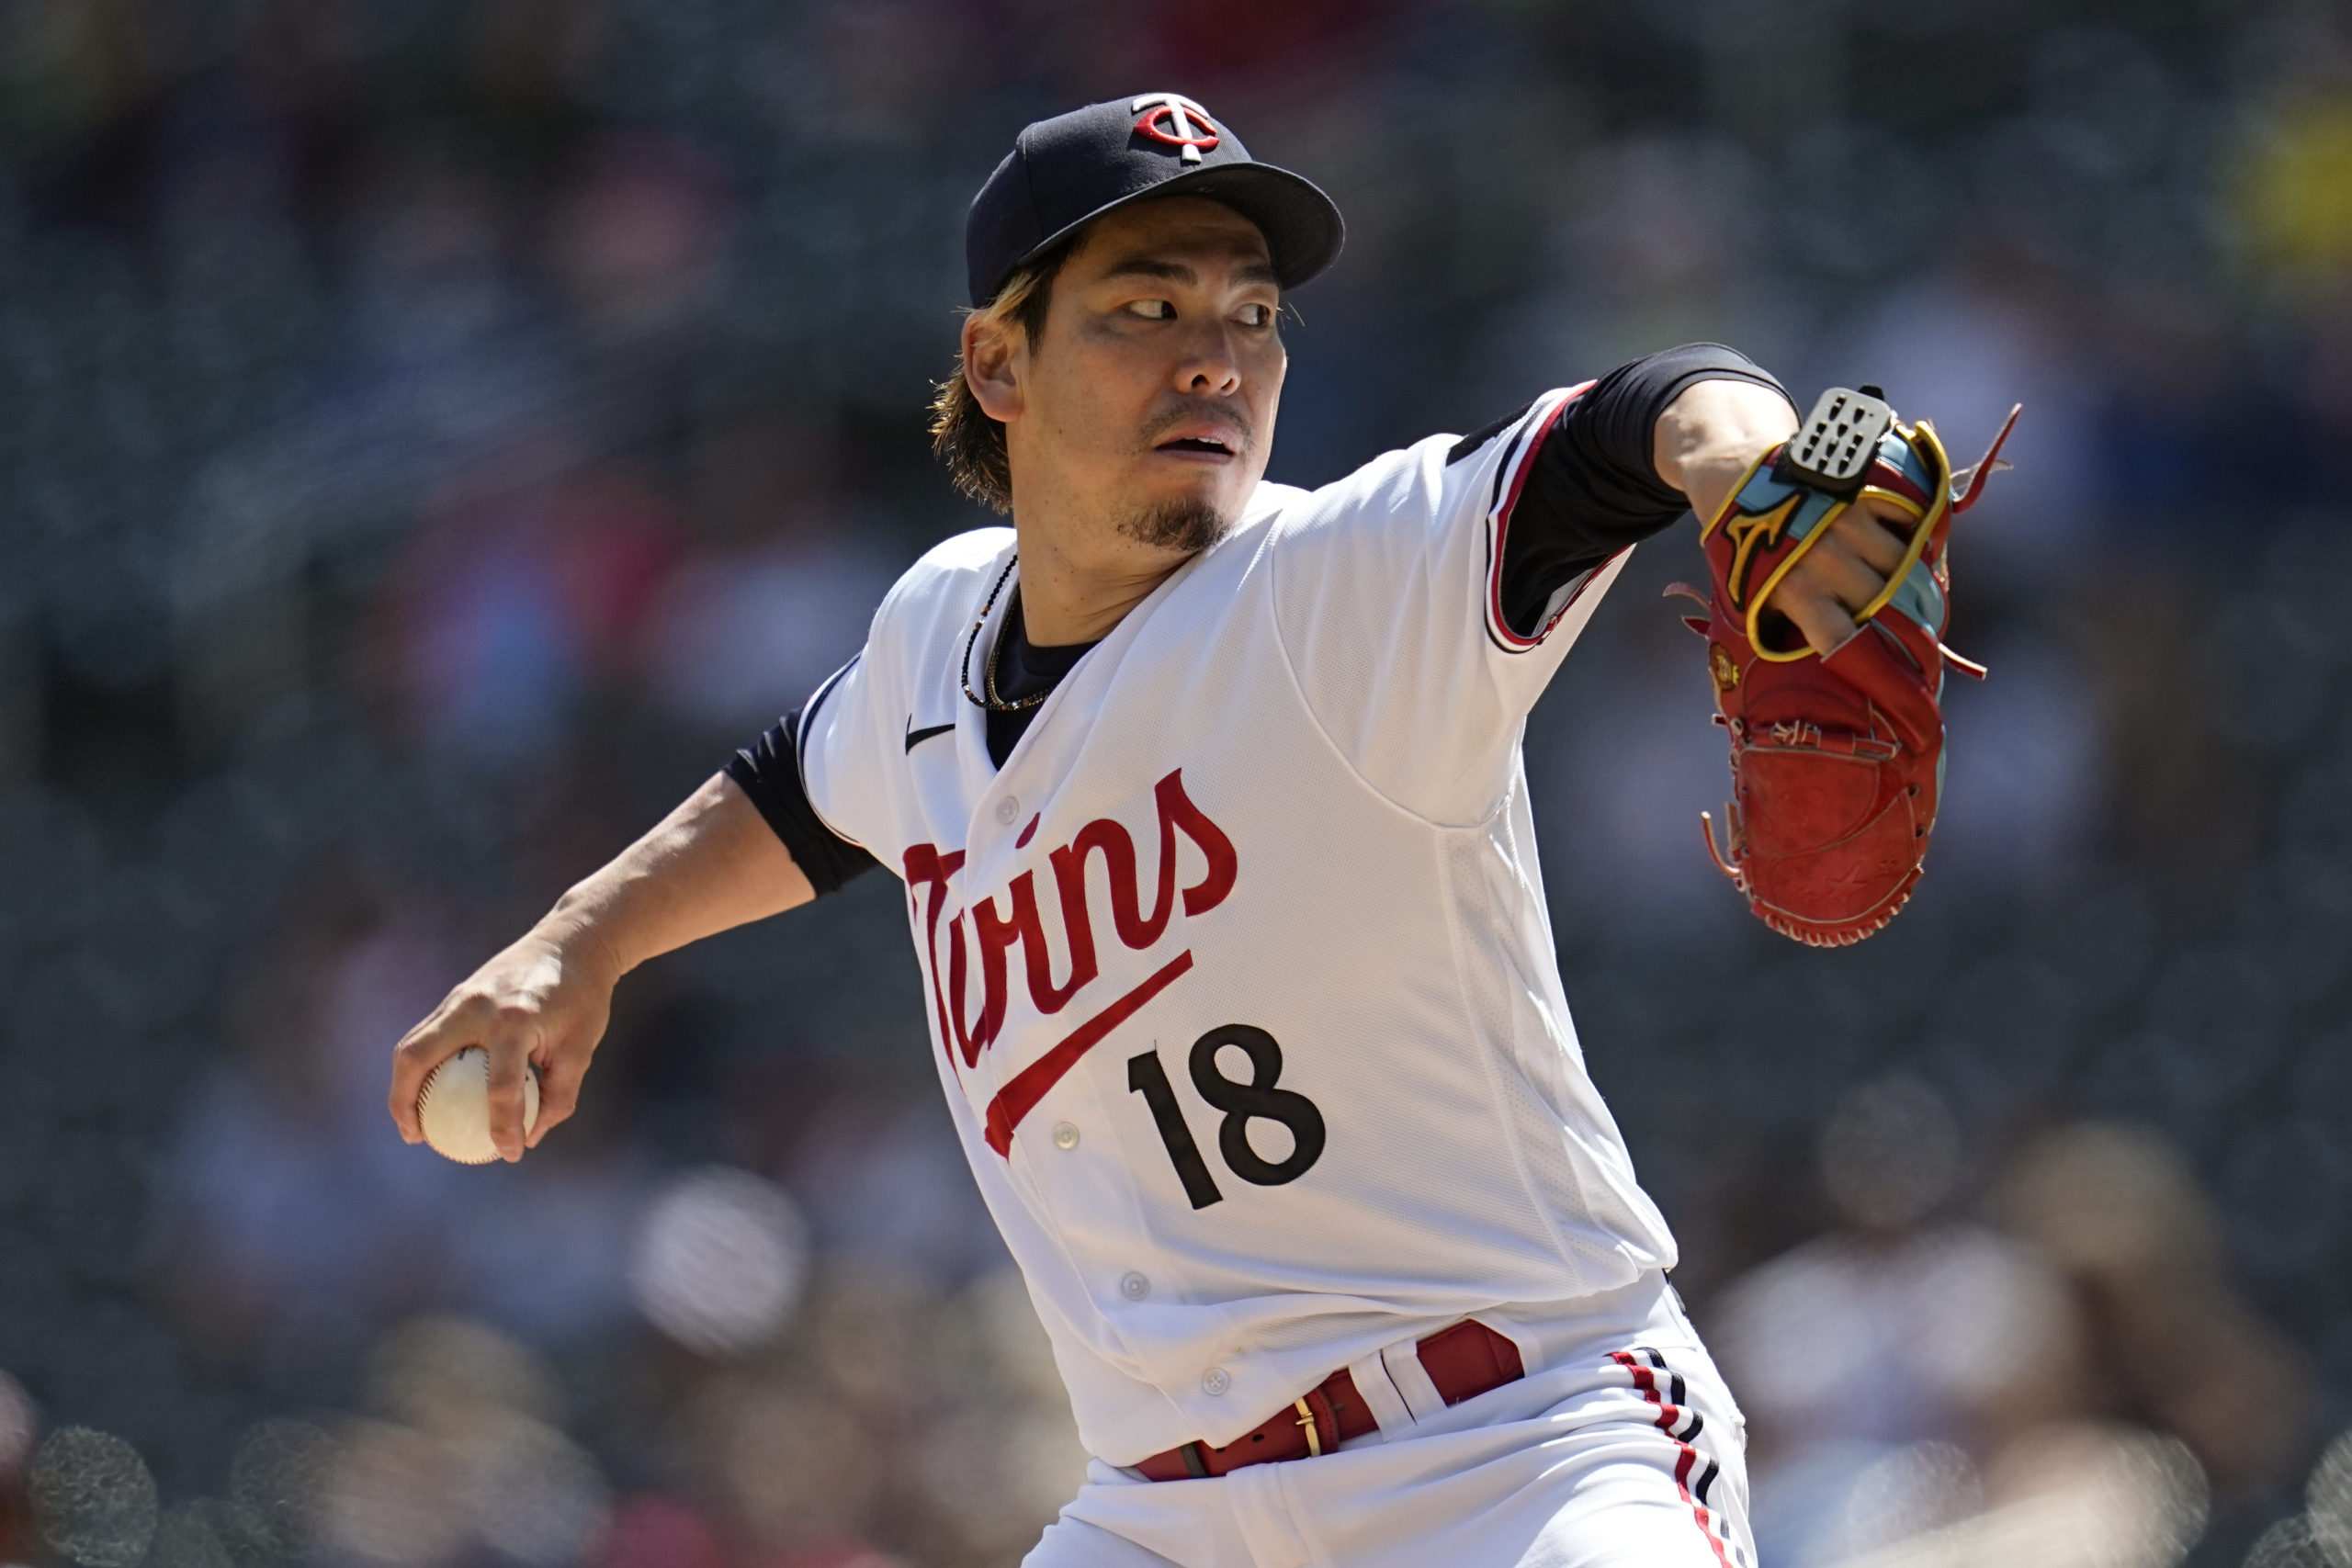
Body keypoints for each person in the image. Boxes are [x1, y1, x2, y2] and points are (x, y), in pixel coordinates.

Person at [388, 94, 1921, 1568]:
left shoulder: (1336, 582)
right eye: (1147, 308)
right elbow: (802, 792)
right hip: (1167, 1517)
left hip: (1515, 1447)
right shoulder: (935, 632)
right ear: (997, 361)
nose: (1217, 359)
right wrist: (575, 946)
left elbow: (1641, 414)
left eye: (1251, 315)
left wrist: (1747, 461)